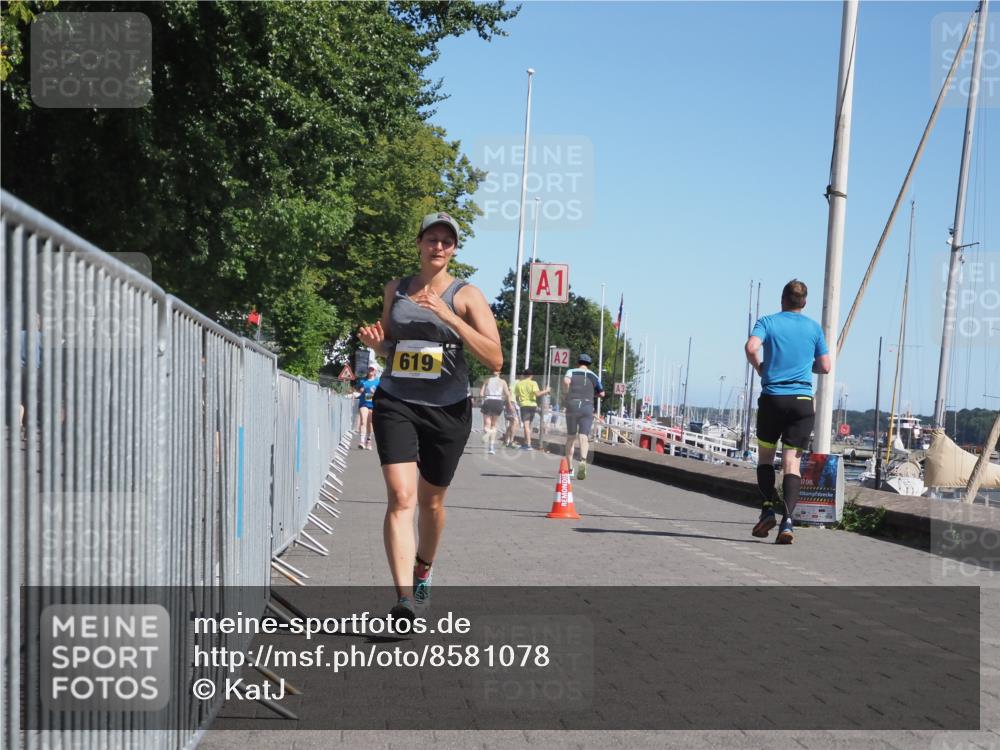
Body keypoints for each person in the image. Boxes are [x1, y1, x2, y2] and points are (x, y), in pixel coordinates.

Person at [357, 211, 502, 621]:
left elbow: (494, 359)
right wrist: (377, 344)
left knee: (431, 503)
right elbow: (390, 346)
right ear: (419, 244)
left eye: (447, 241)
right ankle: (404, 599)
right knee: (401, 498)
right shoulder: (396, 289)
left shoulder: (466, 295)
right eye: (432, 239)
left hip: (448, 408)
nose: (438, 247)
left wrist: (448, 315)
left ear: (454, 250)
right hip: (397, 400)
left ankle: (424, 568)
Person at [744, 279, 831, 545]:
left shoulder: (768, 322)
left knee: (766, 458)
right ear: (804, 303)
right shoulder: (814, 328)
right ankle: (788, 521)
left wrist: (761, 367)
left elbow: (751, 347)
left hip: (773, 399)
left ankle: (768, 507)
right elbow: (825, 367)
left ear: (782, 299)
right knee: (792, 463)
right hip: (802, 402)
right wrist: (806, 367)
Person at [562, 353, 605, 480]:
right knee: (583, 436)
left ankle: (570, 469)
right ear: (589, 365)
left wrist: (566, 393)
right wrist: (592, 395)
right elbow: (602, 393)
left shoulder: (571, 371)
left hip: (573, 405)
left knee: (571, 438)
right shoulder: (594, 376)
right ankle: (583, 460)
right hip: (587, 406)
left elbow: (566, 381)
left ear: (578, 362)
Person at [513, 368, 549, 450]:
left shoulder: (519, 384)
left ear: (524, 375)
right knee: (529, 425)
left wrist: (519, 402)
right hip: (533, 405)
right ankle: (526, 443)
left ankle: (528, 444)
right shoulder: (533, 383)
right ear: (532, 375)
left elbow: (517, 396)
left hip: (524, 405)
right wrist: (546, 391)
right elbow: (537, 394)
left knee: (526, 425)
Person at [479, 369, 511, 454]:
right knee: (494, 425)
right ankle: (491, 448)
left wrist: (484, 397)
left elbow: (481, 394)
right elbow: (507, 393)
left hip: (488, 401)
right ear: (500, 372)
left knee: (487, 425)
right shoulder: (503, 381)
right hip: (498, 402)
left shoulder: (487, 380)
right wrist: (507, 402)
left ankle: (488, 433)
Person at [356, 365, 380, 450]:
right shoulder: (362, 381)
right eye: (369, 369)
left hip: (373, 405)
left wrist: (375, 392)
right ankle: (362, 441)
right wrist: (360, 390)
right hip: (364, 403)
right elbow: (357, 389)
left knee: (370, 423)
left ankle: (368, 440)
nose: (370, 370)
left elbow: (381, 394)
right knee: (363, 421)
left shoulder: (378, 382)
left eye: (372, 369)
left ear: (375, 372)